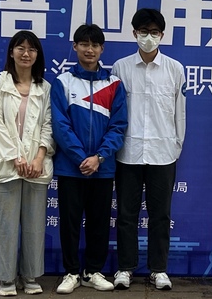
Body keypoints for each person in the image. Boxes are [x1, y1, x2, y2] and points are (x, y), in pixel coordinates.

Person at [111, 8, 186, 291]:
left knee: (160, 215)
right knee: (126, 214)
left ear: (162, 35)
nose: (149, 37)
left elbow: (180, 112)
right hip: (128, 153)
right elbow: (115, 111)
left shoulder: (174, 69)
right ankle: (125, 268)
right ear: (134, 33)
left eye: (154, 32)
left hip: (163, 154)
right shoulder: (120, 68)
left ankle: (158, 269)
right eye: (144, 32)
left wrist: (176, 147)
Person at [51, 24, 128, 294]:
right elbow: (60, 125)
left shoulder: (114, 84)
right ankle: (71, 272)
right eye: (84, 44)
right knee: (70, 222)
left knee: (99, 222)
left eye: (95, 45)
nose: (89, 49)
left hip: (102, 168)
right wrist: (81, 158)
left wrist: (99, 157)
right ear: (75, 47)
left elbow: (119, 126)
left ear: (102, 49)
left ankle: (93, 271)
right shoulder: (63, 82)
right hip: (71, 168)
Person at [0, 30, 54, 297]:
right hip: (6, 165)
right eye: (20, 48)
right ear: (11, 52)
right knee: (5, 226)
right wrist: (16, 157)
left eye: (31, 49)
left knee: (34, 227)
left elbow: (48, 125)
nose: (26, 53)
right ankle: (6, 278)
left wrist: (38, 157)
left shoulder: (45, 88)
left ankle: (31, 276)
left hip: (36, 167)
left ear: (38, 55)